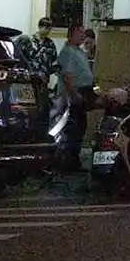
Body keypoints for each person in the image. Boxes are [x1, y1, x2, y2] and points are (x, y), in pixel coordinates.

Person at [55, 24, 95, 172]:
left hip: (83, 92)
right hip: (72, 96)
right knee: (73, 129)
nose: (83, 36)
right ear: (71, 34)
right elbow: (67, 76)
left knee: (80, 127)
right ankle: (68, 162)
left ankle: (74, 160)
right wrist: (74, 94)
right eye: (80, 33)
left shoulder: (78, 51)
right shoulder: (67, 52)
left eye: (84, 33)